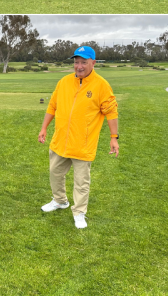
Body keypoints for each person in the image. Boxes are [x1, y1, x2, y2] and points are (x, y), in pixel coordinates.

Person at [38, 46, 119, 229]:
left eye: (83, 62)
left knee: (81, 182)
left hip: (83, 144)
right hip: (60, 141)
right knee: (55, 173)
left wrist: (114, 137)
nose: (79, 66)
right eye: (76, 62)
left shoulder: (101, 85)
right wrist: (44, 128)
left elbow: (111, 112)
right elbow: (52, 106)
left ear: (93, 63)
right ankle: (60, 201)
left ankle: (79, 212)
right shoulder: (64, 82)